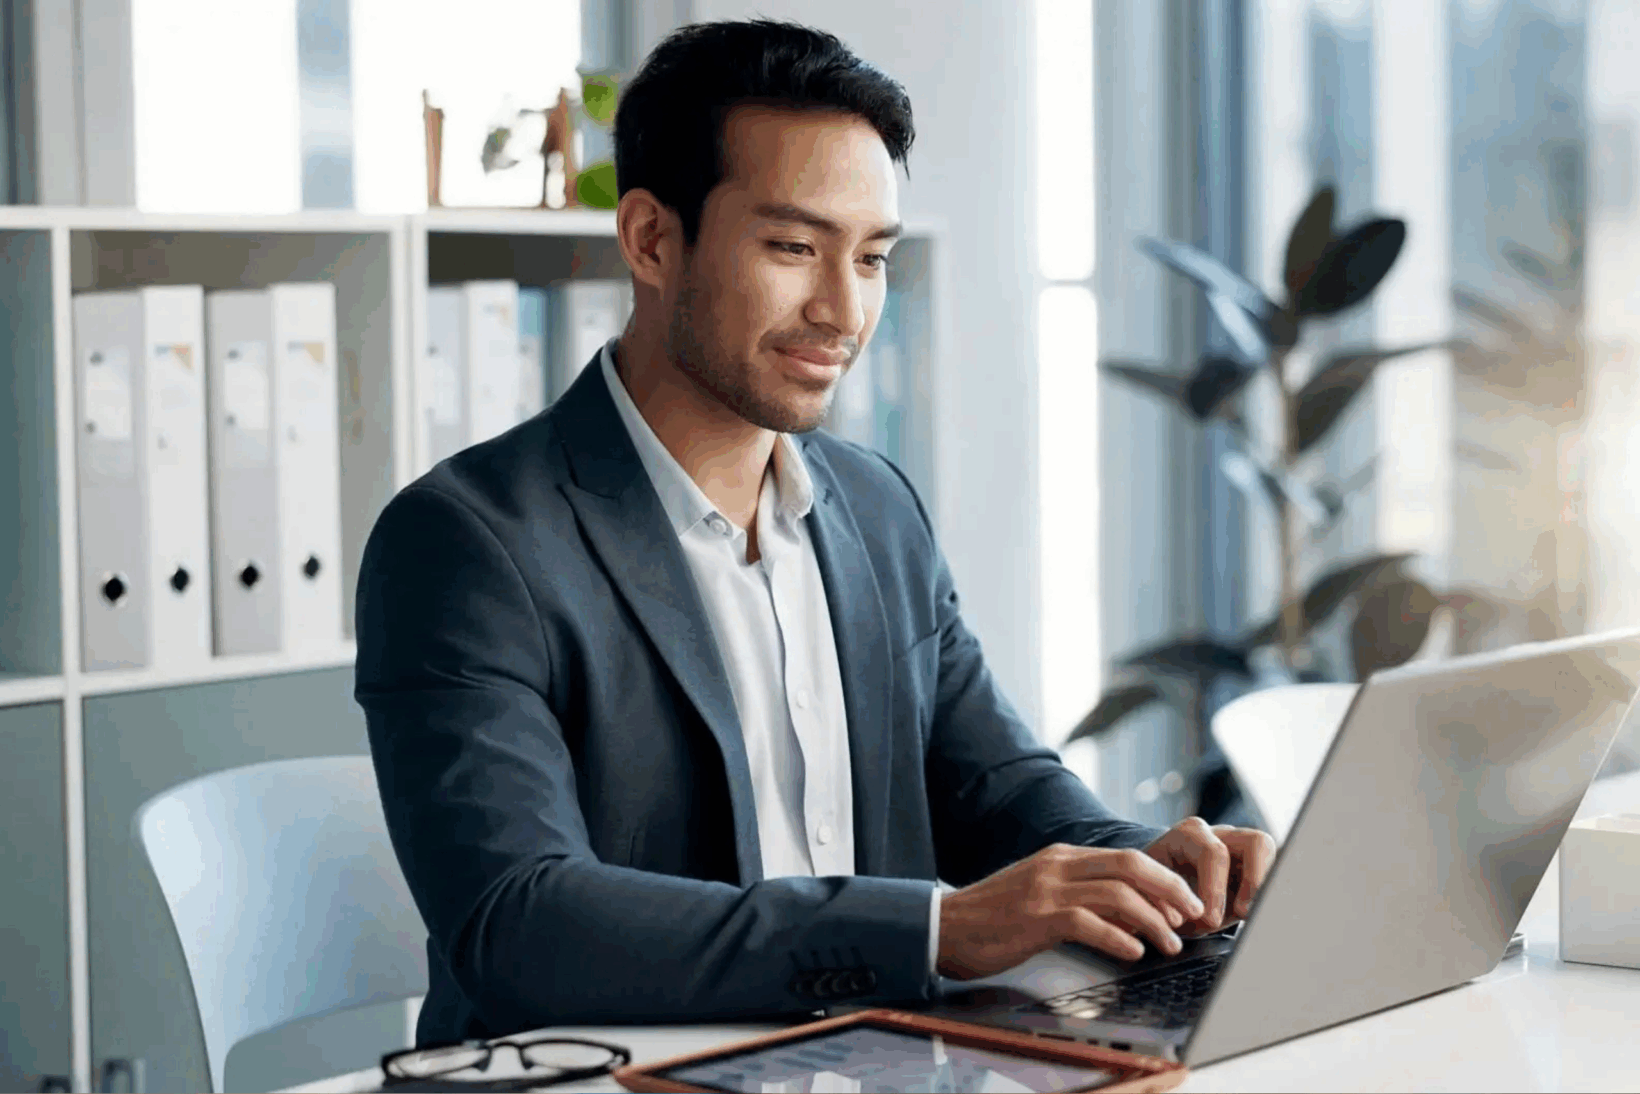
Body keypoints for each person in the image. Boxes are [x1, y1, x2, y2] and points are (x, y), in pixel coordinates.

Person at [355, 18, 1275, 1045]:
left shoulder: (874, 508)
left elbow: (1001, 788)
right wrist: (935, 926)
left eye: (871, 257)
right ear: (652, 238)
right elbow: (521, 924)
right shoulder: (465, 543)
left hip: (870, 1059)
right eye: (793, 247)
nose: (842, 310)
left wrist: (1155, 863)